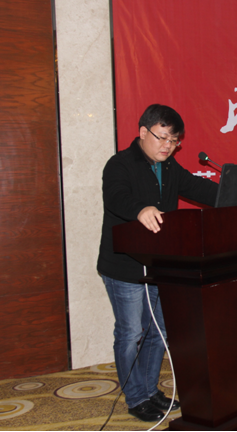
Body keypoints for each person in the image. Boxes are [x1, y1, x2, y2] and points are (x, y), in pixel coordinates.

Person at [97, 104, 219, 422]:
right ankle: (136, 397)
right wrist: (141, 209)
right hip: (124, 265)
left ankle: (150, 391)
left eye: (174, 140)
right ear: (143, 132)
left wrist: (235, 196)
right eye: (162, 137)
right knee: (130, 332)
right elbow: (116, 197)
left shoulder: (170, 167)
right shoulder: (119, 164)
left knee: (158, 329)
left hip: (159, 264)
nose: (168, 146)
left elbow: (198, 187)